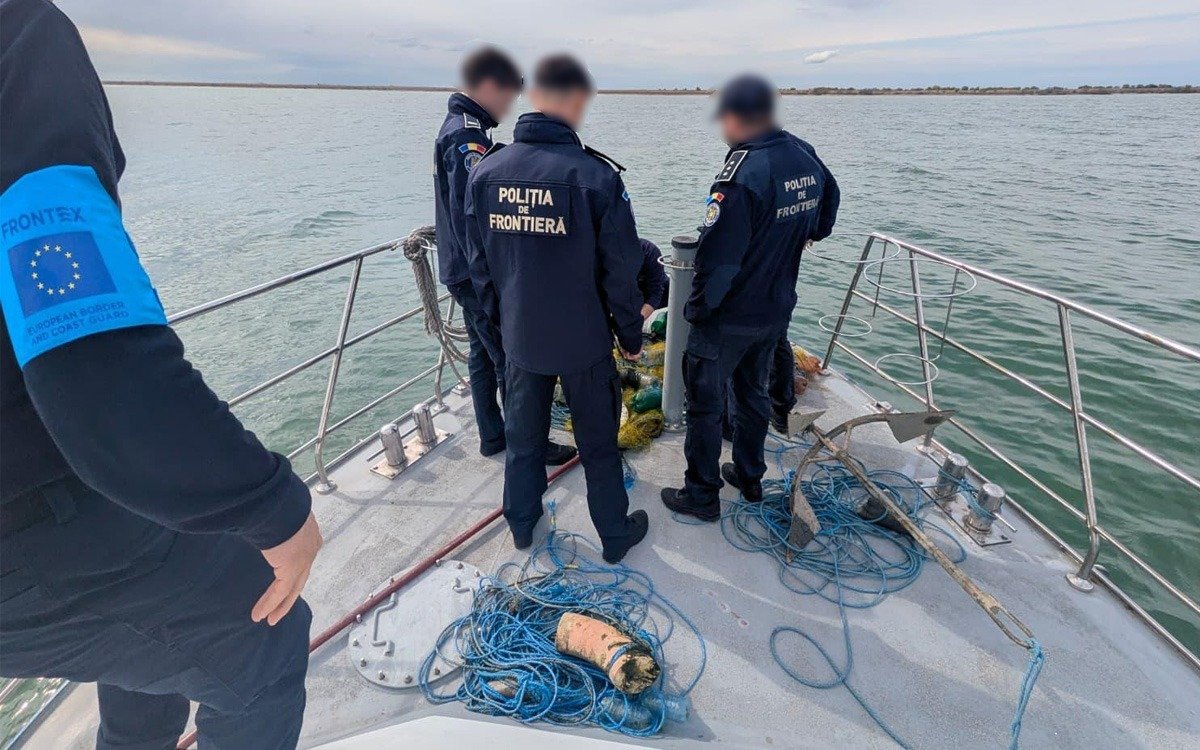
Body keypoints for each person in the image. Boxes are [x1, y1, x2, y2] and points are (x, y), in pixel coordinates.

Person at [0, 1, 320, 747]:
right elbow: (93, 361)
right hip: (30, 524)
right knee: (264, 633)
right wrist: (272, 506)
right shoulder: (18, 36)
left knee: (160, 607)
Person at [464, 54, 649, 563]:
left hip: (521, 339)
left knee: (523, 444)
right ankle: (613, 534)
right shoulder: (596, 178)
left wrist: (505, 327)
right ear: (572, 101)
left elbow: (480, 268)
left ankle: (522, 525)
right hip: (584, 343)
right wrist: (630, 337)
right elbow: (620, 274)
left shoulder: (486, 172)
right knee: (598, 447)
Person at [662, 73, 839, 520]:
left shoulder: (740, 175)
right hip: (776, 307)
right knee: (753, 395)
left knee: (703, 406)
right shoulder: (803, 154)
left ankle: (701, 495)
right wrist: (804, 232)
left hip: (729, 316)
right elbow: (827, 209)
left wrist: (696, 310)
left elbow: (719, 260)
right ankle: (750, 476)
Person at [434, 46, 577, 465]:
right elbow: (471, 216)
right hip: (474, 273)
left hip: (459, 269)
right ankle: (527, 445)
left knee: (482, 355)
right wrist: (496, 276)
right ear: (489, 86)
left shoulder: (461, 127)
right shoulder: (466, 137)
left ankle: (493, 436)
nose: (511, 104)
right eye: (510, 94)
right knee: (511, 362)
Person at [637, 237, 669, 319]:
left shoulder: (649, 250)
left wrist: (636, 323)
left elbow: (655, 293)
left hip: (659, 298)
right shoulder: (606, 255)